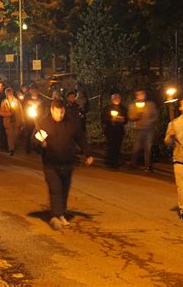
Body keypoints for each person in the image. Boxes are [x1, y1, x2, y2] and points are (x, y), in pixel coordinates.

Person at [33, 99, 94, 230]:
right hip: (51, 163)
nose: (59, 115)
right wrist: (40, 144)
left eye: (62, 112)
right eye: (57, 112)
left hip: (68, 163)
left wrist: (88, 153)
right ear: (51, 110)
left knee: (64, 190)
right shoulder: (44, 123)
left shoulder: (72, 122)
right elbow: (34, 142)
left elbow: (80, 138)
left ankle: (61, 212)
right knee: (55, 189)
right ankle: (56, 215)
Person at [128, 89, 158, 172]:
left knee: (148, 148)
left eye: (142, 94)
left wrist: (150, 121)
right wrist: (136, 116)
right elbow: (130, 117)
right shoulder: (133, 105)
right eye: (138, 94)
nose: (140, 96)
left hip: (149, 130)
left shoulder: (150, 105)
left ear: (145, 95)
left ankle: (148, 166)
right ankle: (133, 164)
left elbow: (155, 116)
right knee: (136, 148)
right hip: (138, 129)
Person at [101, 92, 128, 168]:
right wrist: (110, 119)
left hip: (119, 131)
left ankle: (115, 162)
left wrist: (122, 119)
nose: (116, 99)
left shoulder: (123, 109)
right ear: (112, 99)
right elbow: (103, 118)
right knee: (110, 146)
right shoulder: (107, 108)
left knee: (117, 146)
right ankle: (109, 162)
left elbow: (126, 119)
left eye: (118, 98)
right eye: (114, 98)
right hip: (110, 130)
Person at [0, 88, 24, 156]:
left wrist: (22, 120)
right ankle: (11, 149)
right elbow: (1, 113)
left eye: (10, 93)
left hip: (16, 121)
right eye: (7, 93)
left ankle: (13, 145)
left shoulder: (17, 101)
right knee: (10, 136)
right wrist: (9, 114)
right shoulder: (4, 102)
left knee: (15, 135)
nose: (9, 95)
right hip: (8, 122)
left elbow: (21, 111)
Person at [22, 84, 44, 154]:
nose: (34, 92)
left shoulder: (40, 97)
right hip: (29, 118)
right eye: (33, 90)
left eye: (36, 90)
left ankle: (37, 148)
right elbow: (24, 106)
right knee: (28, 133)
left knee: (38, 133)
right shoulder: (26, 97)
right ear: (30, 91)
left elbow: (42, 106)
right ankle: (28, 148)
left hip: (38, 118)